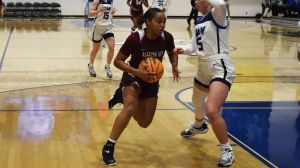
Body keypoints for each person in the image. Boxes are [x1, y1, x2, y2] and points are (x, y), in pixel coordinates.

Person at [101, 8, 181, 166]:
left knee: (144, 122)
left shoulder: (167, 37)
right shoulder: (136, 38)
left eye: (164, 21)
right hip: (133, 76)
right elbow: (118, 61)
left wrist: (174, 65)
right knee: (130, 108)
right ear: (149, 22)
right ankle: (109, 146)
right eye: (159, 21)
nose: (162, 24)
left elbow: (172, 52)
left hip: (151, 81)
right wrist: (137, 72)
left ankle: (120, 96)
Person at [178, 0, 235, 167]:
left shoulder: (218, 14)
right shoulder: (199, 22)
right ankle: (199, 125)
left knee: (211, 109)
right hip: (203, 66)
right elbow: (193, 47)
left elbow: (222, 4)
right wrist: (182, 50)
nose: (195, 3)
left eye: (197, 0)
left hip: (219, 66)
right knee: (196, 100)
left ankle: (226, 150)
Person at [87, 0, 117, 79]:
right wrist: (99, 10)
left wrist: (112, 14)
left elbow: (106, 14)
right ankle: (90, 65)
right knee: (95, 49)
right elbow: (90, 14)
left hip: (108, 27)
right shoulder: (97, 1)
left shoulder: (110, 1)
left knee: (112, 47)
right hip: (98, 27)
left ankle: (107, 67)